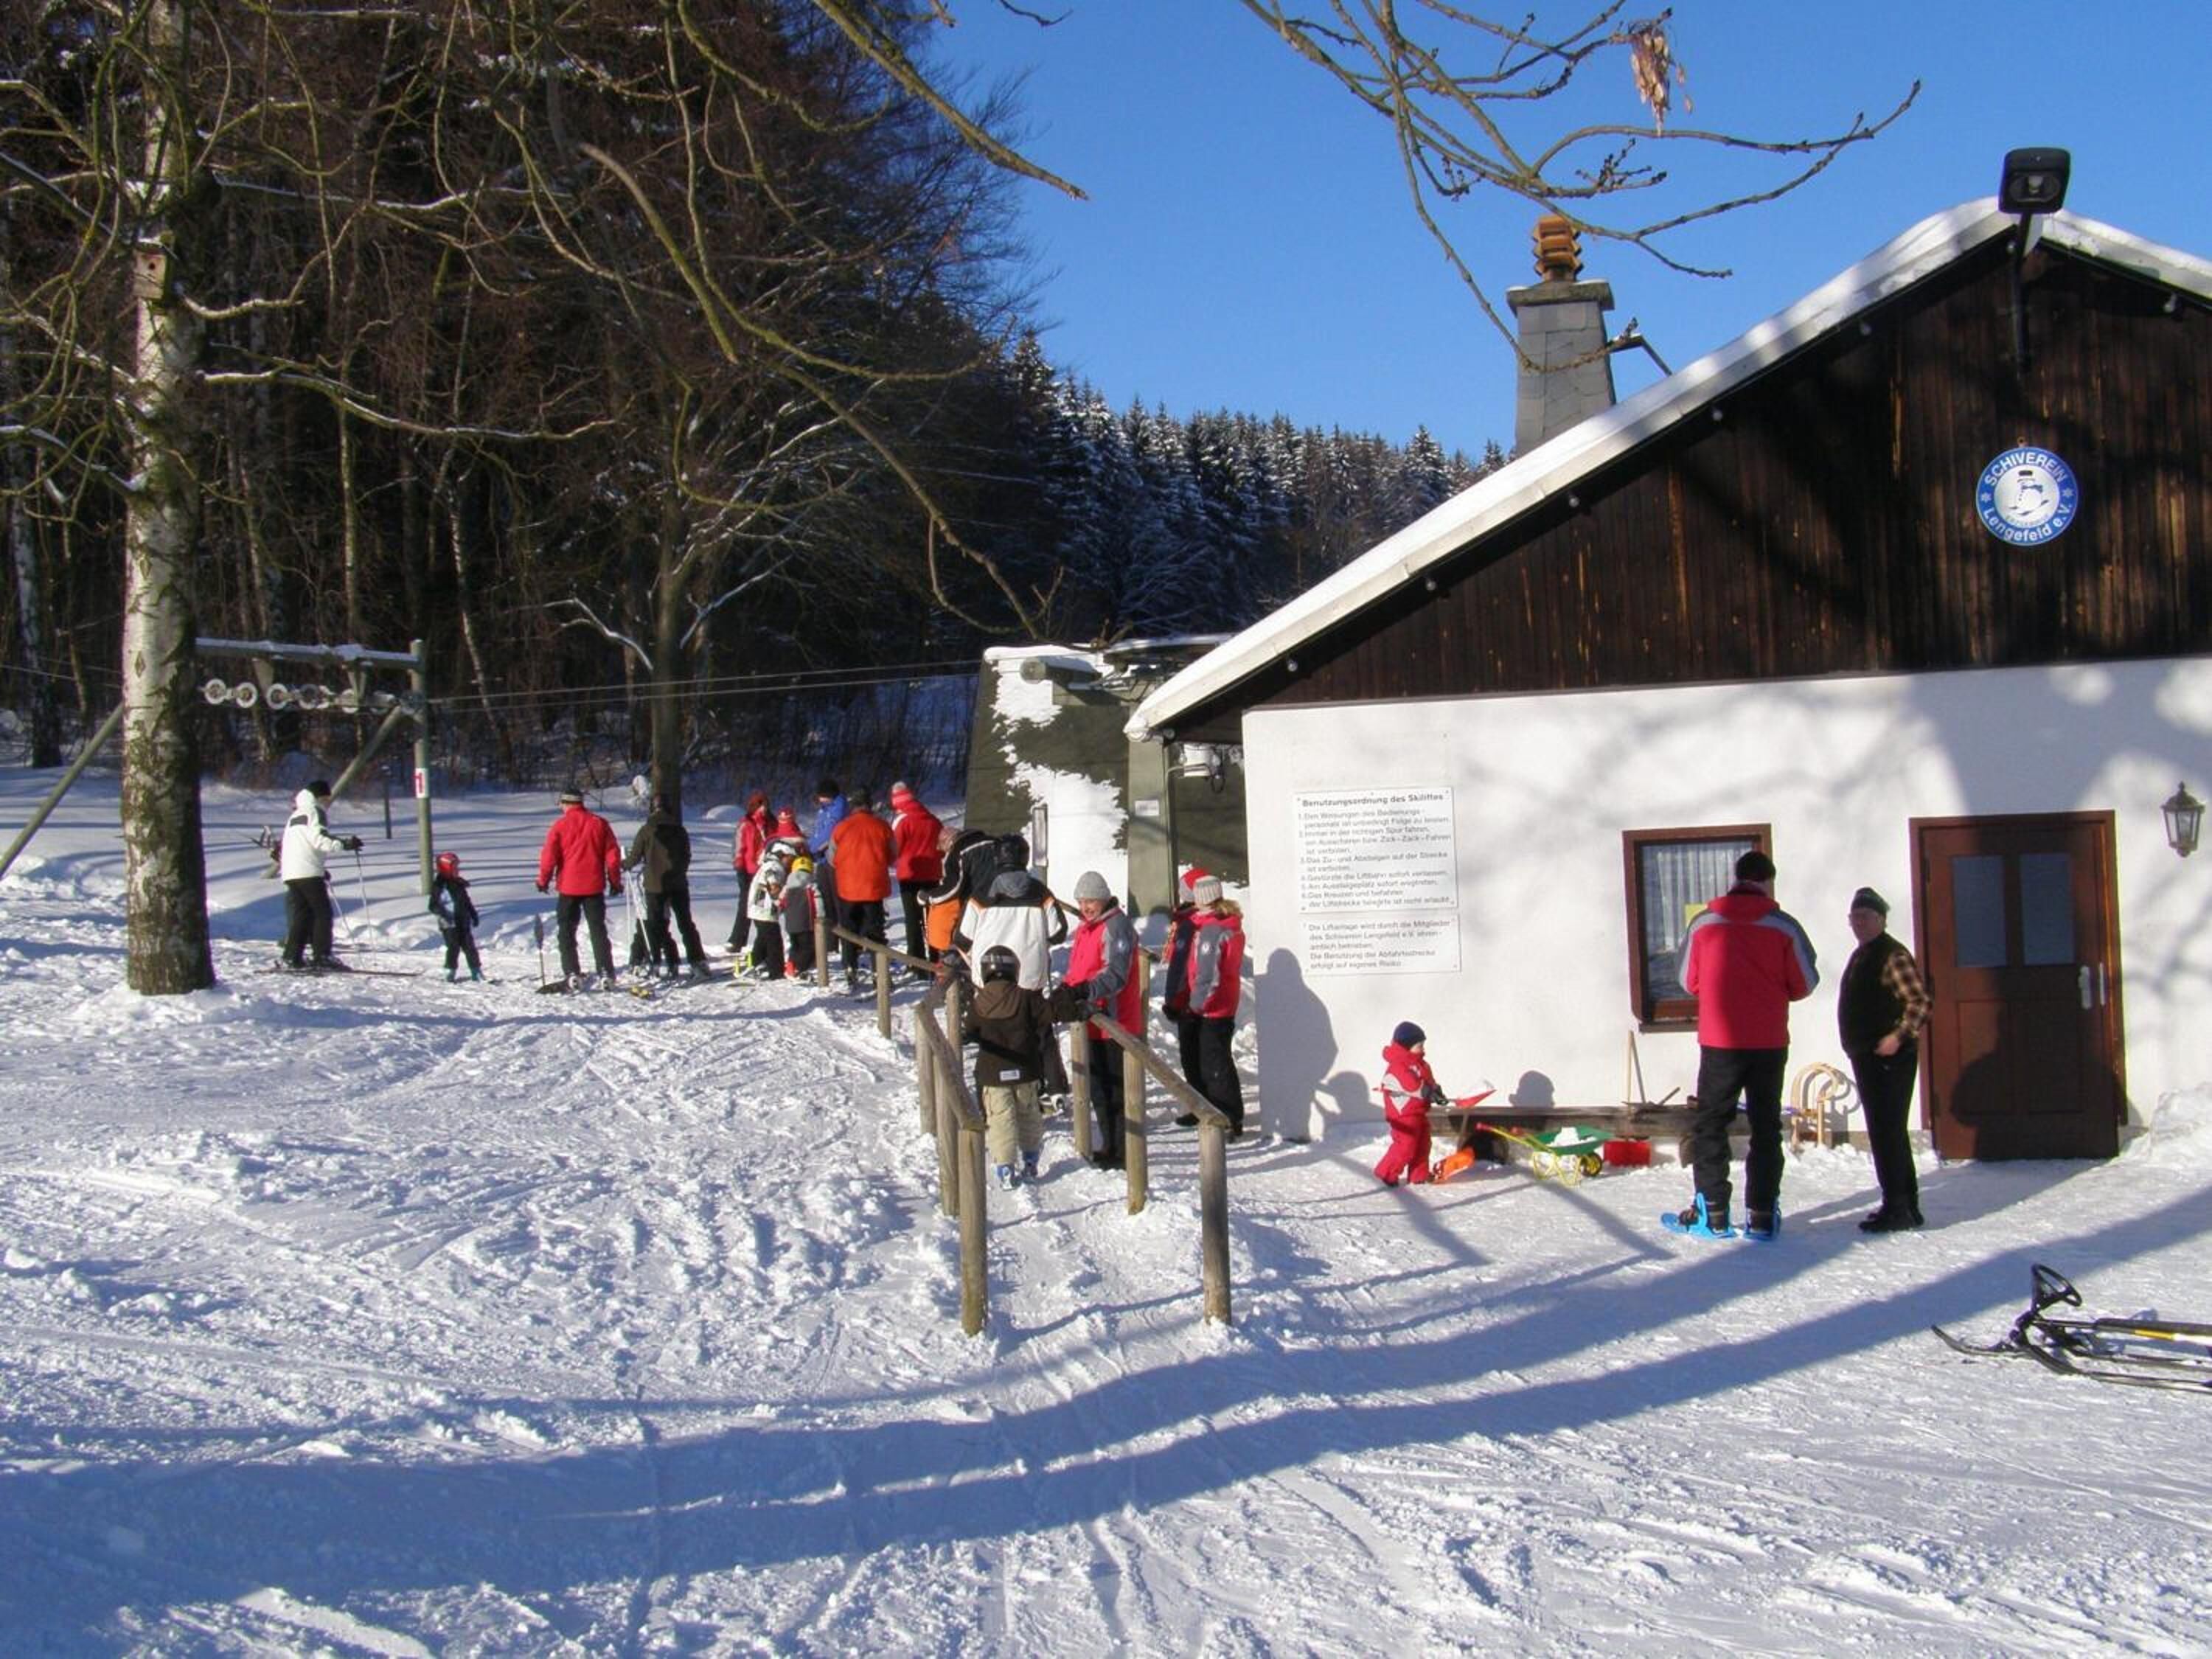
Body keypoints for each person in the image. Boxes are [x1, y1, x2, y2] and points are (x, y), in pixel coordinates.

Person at [1670, 848, 1818, 1241]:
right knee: (1766, 1127)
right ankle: (1762, 1214)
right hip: (1769, 1042)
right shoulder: (1784, 927)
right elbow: (1806, 981)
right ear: (1768, 882)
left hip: (1720, 1041)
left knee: (1711, 1124)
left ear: (1736, 879)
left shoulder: (1704, 923)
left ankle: (1713, 1212)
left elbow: (1686, 979)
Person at [1838, 886, 1930, 1233]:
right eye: (1854, 918)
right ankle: (1901, 1203)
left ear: (1881, 919)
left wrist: (1897, 1037)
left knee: (1888, 1131)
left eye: (1865, 917)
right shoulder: (1862, 955)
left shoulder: (1892, 955)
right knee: (1884, 1131)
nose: (1858, 923)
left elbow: (1920, 1003)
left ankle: (1899, 1207)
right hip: (1868, 1056)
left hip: (1891, 1058)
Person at [1063, 871, 1143, 1169]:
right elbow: (1080, 968)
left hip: (1114, 1021)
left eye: (1091, 901)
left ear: (1104, 899)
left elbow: (1115, 975)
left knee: (1116, 1089)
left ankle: (1123, 1150)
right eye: (1081, 902)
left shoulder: (1115, 927)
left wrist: (1086, 990)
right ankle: (1109, 1144)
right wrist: (1069, 989)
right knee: (1098, 1088)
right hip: (1092, 1018)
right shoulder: (1087, 928)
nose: (1085, 907)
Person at [961, 944, 1049, 1189]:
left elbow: (970, 1029)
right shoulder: (1026, 998)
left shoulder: (979, 1003)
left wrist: (970, 1035)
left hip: (993, 1073)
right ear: (1015, 971)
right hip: (1026, 1070)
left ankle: (1005, 1165)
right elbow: (1047, 1014)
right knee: (1029, 1114)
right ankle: (1030, 1159)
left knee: (1001, 1119)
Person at [536, 787, 622, 988]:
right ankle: (606, 972)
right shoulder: (599, 823)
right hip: (594, 887)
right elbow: (613, 856)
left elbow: (549, 856)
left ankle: (572, 972)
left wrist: (543, 880)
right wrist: (615, 881)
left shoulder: (560, 825)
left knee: (566, 931)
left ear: (566, 803)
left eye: (561, 804)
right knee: (598, 930)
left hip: (569, 888)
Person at [1184, 874, 1247, 1137]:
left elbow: (1208, 976)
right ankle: (1221, 1113)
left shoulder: (1212, 929)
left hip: (1213, 1008)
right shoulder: (1227, 923)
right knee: (1214, 1060)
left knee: (1215, 1064)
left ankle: (1227, 1117)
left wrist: (1195, 1006)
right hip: (1222, 1002)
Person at [278, 779, 361, 970]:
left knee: (303, 915)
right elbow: (319, 839)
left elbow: (299, 845)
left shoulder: (296, 815)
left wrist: (320, 869)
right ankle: (322, 956)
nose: (327, 803)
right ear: (317, 797)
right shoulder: (315, 812)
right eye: (325, 798)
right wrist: (345, 844)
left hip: (291, 872)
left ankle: (291, 957)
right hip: (308, 872)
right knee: (322, 914)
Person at [627, 793, 710, 980]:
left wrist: (624, 864)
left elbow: (635, 856)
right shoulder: (679, 830)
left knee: (654, 924)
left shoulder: (647, 829)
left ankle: (654, 962)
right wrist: (680, 871)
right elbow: (687, 855)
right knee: (686, 923)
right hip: (678, 883)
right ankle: (698, 961)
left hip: (655, 884)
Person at [830, 787, 896, 989]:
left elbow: (832, 857)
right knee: (875, 930)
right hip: (874, 886)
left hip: (847, 886)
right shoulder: (882, 826)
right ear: (870, 804)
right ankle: (878, 970)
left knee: (848, 929)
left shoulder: (841, 827)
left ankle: (850, 967)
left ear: (852, 806)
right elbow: (893, 855)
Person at [1161, 866, 1208, 1124]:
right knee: (1193, 1055)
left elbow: (1183, 965)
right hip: (1189, 996)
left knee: (1195, 1056)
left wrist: (1176, 999)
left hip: (1190, 998)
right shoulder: (1186, 920)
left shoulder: (1192, 923)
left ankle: (1203, 1107)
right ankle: (1200, 1104)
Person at [1376, 1021, 1447, 1185]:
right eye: (1419, 1045)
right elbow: (1413, 1086)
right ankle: (1387, 1172)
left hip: (1419, 1111)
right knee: (1406, 1145)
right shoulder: (1397, 1065)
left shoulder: (1421, 1064)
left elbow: (1429, 1081)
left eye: (1423, 1045)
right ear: (1406, 1046)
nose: (1423, 1049)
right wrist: (1429, 1093)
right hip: (1403, 1114)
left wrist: (1437, 1091)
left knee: (1423, 1143)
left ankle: (1418, 1175)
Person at [888, 782, 945, 973]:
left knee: (912, 919)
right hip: (932, 873)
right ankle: (936, 957)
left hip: (910, 874)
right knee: (933, 918)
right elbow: (942, 848)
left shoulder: (902, 821)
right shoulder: (933, 820)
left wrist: (894, 862)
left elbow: (894, 848)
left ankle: (916, 962)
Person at [726, 791, 772, 956]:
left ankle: (763, 941)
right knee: (745, 904)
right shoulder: (746, 824)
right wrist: (739, 867)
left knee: (762, 906)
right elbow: (739, 847)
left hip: (764, 871)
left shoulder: (771, 824)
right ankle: (737, 940)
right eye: (760, 805)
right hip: (747, 870)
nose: (763, 808)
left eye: (765, 804)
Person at [428, 850, 483, 982]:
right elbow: (433, 905)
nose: (457, 870)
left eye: (457, 867)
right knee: (453, 947)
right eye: (454, 867)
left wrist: (473, 914)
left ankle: (476, 971)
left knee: (470, 947)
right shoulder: (439, 885)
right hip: (449, 923)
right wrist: (444, 914)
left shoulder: (458, 883)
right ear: (446, 868)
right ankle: (450, 971)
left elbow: (466, 901)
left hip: (463, 920)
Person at [808, 778, 849, 941]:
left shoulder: (838, 809)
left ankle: (844, 937)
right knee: (826, 900)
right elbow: (818, 831)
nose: (820, 800)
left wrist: (812, 848)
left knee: (837, 900)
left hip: (834, 859)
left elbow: (829, 834)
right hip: (822, 860)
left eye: (822, 796)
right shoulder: (824, 810)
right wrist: (810, 844)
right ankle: (831, 939)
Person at [745, 842, 789, 980]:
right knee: (774, 940)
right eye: (788, 857)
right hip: (764, 910)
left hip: (759, 910)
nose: (790, 861)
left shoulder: (770, 864)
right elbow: (771, 877)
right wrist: (776, 888)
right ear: (781, 855)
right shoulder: (773, 866)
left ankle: (755, 962)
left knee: (763, 938)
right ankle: (776, 971)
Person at [780, 851, 819, 978]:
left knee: (795, 946)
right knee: (808, 947)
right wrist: (822, 917)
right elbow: (819, 902)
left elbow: (780, 902)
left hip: (791, 924)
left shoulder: (787, 888)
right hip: (806, 923)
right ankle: (801, 968)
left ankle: (791, 965)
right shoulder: (812, 886)